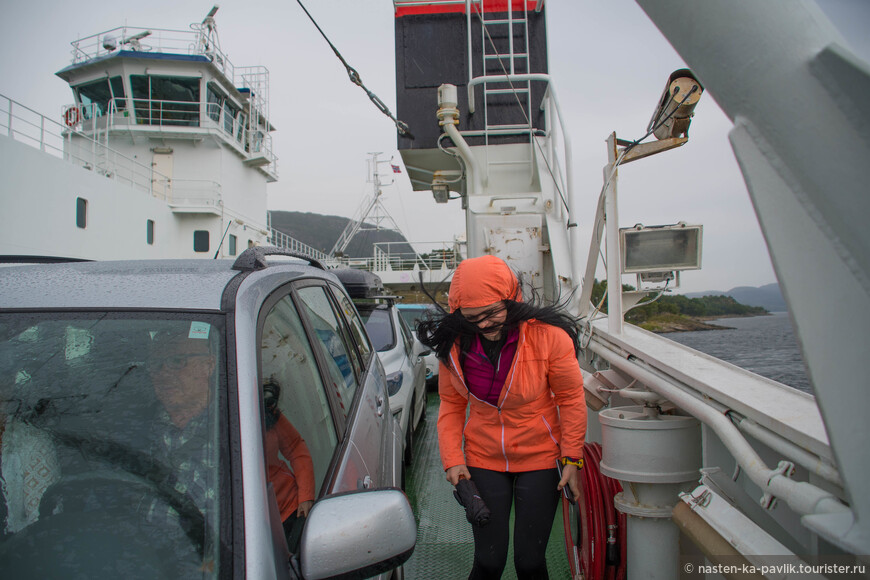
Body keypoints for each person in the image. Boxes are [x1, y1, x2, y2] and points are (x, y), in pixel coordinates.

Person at [417, 255, 586, 580]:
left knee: (530, 562)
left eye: (492, 312)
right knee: (489, 562)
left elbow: (570, 398)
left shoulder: (549, 337)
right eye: (472, 317)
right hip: (484, 457)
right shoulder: (453, 347)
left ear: (512, 299)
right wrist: (453, 460)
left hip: (540, 458)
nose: (483, 324)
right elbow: (451, 407)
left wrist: (572, 458)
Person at [262, 378, 315, 548]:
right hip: (251, 533)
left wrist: (305, 497)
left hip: (290, 512)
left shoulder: (262, 406)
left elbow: (296, 448)